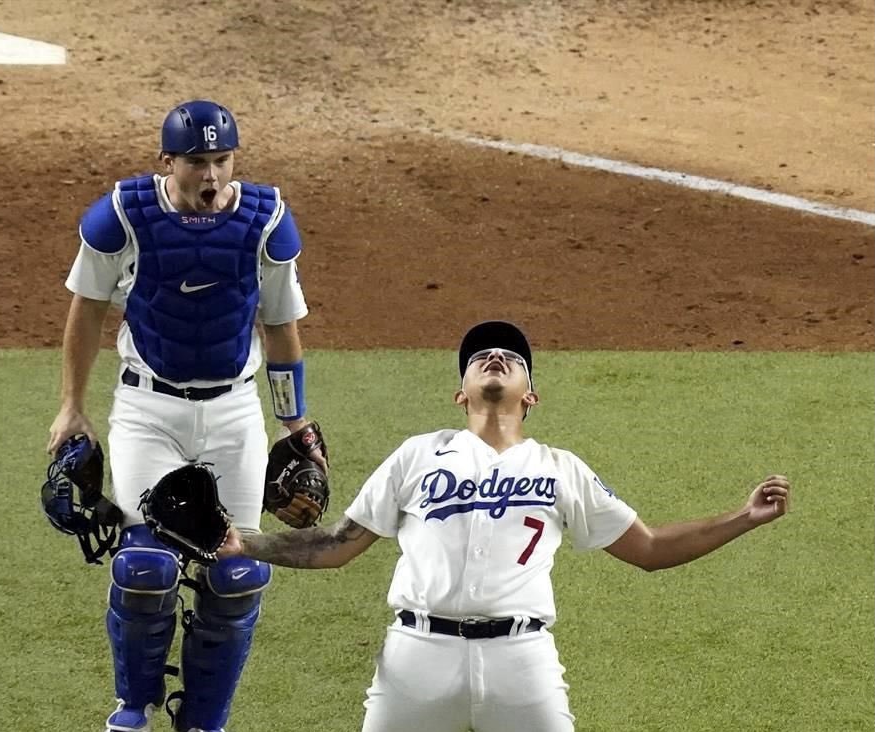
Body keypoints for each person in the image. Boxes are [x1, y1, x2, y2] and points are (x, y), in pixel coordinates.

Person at [218, 320, 792, 732]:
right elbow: (337, 544)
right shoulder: (419, 455)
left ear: (531, 396)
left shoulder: (560, 468)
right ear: (460, 392)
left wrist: (743, 517)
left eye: (510, 358)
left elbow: (649, 547)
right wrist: (246, 543)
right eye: (480, 357)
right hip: (417, 656)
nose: (495, 357)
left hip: (522, 660)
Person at [46, 99, 326, 732]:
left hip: (233, 413)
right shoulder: (122, 218)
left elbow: (281, 330)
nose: (211, 175)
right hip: (149, 409)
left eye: (222, 161)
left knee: (239, 571)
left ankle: (203, 721)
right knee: (146, 568)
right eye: (197, 161)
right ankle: (133, 711)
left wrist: (294, 423)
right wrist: (72, 406)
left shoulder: (266, 224)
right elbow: (87, 310)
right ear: (167, 161)